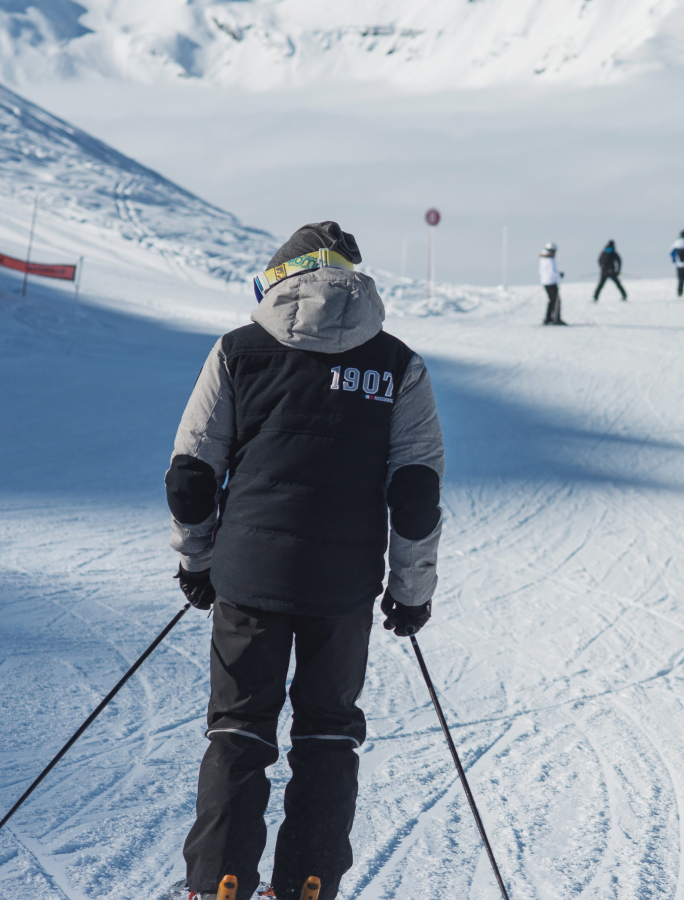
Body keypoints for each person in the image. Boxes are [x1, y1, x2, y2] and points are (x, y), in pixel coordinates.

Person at [167, 222, 445, 900]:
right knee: (326, 736)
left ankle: (220, 884)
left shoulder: (238, 351)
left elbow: (190, 476)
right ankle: (307, 885)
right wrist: (410, 591)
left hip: (248, 578)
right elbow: (415, 494)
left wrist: (200, 560)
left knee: (238, 729)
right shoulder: (397, 364)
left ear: (279, 276)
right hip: (342, 586)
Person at [540, 243, 566, 325]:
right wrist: (559, 274)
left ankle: (548, 319)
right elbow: (552, 272)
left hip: (546, 282)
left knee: (552, 300)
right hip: (551, 282)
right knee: (556, 300)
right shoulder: (550, 260)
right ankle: (556, 319)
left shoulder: (543, 259)